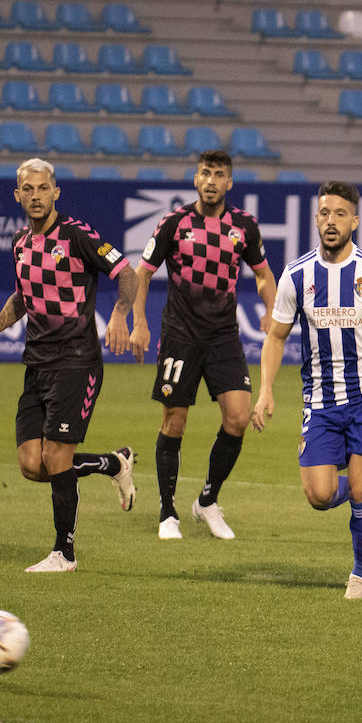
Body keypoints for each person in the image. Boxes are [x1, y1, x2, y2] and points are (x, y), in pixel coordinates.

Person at [0, 157, 143, 573]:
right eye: (29, 189)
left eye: (44, 188)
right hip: (36, 365)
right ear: (18, 195)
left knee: (57, 458)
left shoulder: (77, 236)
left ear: (56, 192)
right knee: (31, 465)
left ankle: (64, 554)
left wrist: (119, 314)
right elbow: (23, 297)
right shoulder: (20, 243)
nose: (37, 196)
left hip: (76, 362)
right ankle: (114, 463)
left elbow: (126, 272)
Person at [250, 181, 362, 600]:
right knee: (320, 496)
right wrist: (266, 390)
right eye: (324, 213)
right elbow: (275, 337)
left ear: (355, 221)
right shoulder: (297, 274)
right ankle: (354, 490)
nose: (331, 221)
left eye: (340, 214)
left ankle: (360, 576)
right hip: (320, 402)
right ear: (316, 219)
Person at [131, 149, 277, 541]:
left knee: (238, 417)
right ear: (196, 179)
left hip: (223, 336)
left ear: (230, 183)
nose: (212, 180)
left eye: (219, 175)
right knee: (174, 420)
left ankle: (208, 501)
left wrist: (270, 309)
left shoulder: (244, 226)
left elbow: (263, 274)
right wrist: (139, 322)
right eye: (205, 173)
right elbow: (142, 274)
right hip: (180, 334)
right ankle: (167, 512)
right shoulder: (175, 223)